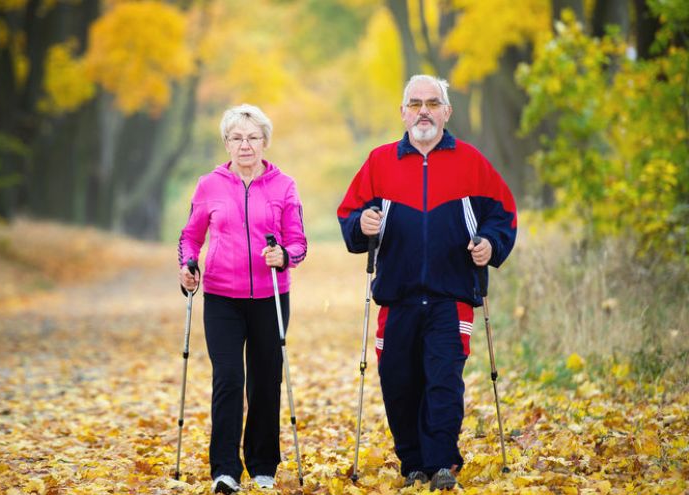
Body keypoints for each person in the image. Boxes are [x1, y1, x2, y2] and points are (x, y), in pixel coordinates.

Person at [336, 75, 517, 490]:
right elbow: (350, 216)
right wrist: (361, 225)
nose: (423, 111)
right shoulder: (380, 161)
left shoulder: (470, 161)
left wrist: (491, 243)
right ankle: (412, 462)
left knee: (443, 379)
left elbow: (503, 213)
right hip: (396, 297)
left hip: (451, 295)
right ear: (402, 113)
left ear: (446, 112)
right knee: (398, 381)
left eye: (433, 103)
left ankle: (441, 465)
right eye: (415, 103)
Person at [179, 104, 308, 494]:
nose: (245, 145)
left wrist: (284, 256)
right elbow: (191, 236)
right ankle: (225, 469)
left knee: (266, 381)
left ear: (265, 142)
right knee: (230, 379)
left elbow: (299, 242)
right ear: (227, 143)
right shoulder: (209, 185)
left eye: (253, 137)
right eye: (237, 137)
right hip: (222, 297)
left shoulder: (284, 185)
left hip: (270, 295)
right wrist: (188, 264)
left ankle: (263, 464)